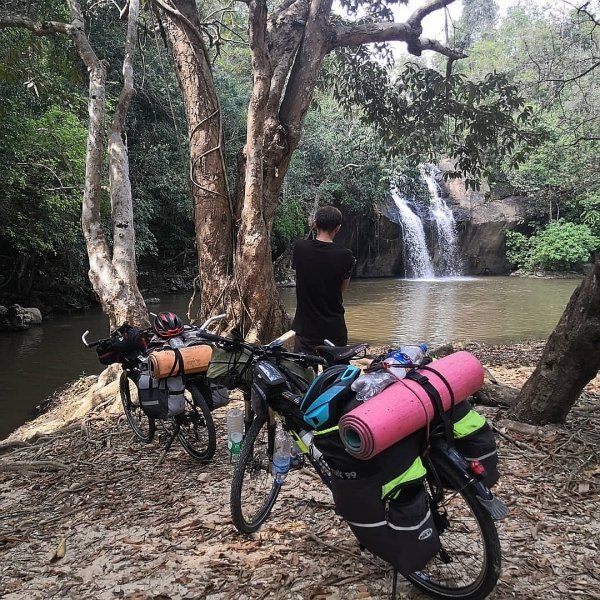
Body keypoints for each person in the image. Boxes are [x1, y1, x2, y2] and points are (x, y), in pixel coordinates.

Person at [292, 206, 355, 354]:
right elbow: (342, 288)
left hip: (305, 328)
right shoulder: (346, 256)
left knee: (302, 374)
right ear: (338, 228)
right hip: (334, 328)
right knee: (335, 374)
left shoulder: (300, 248)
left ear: (315, 224)